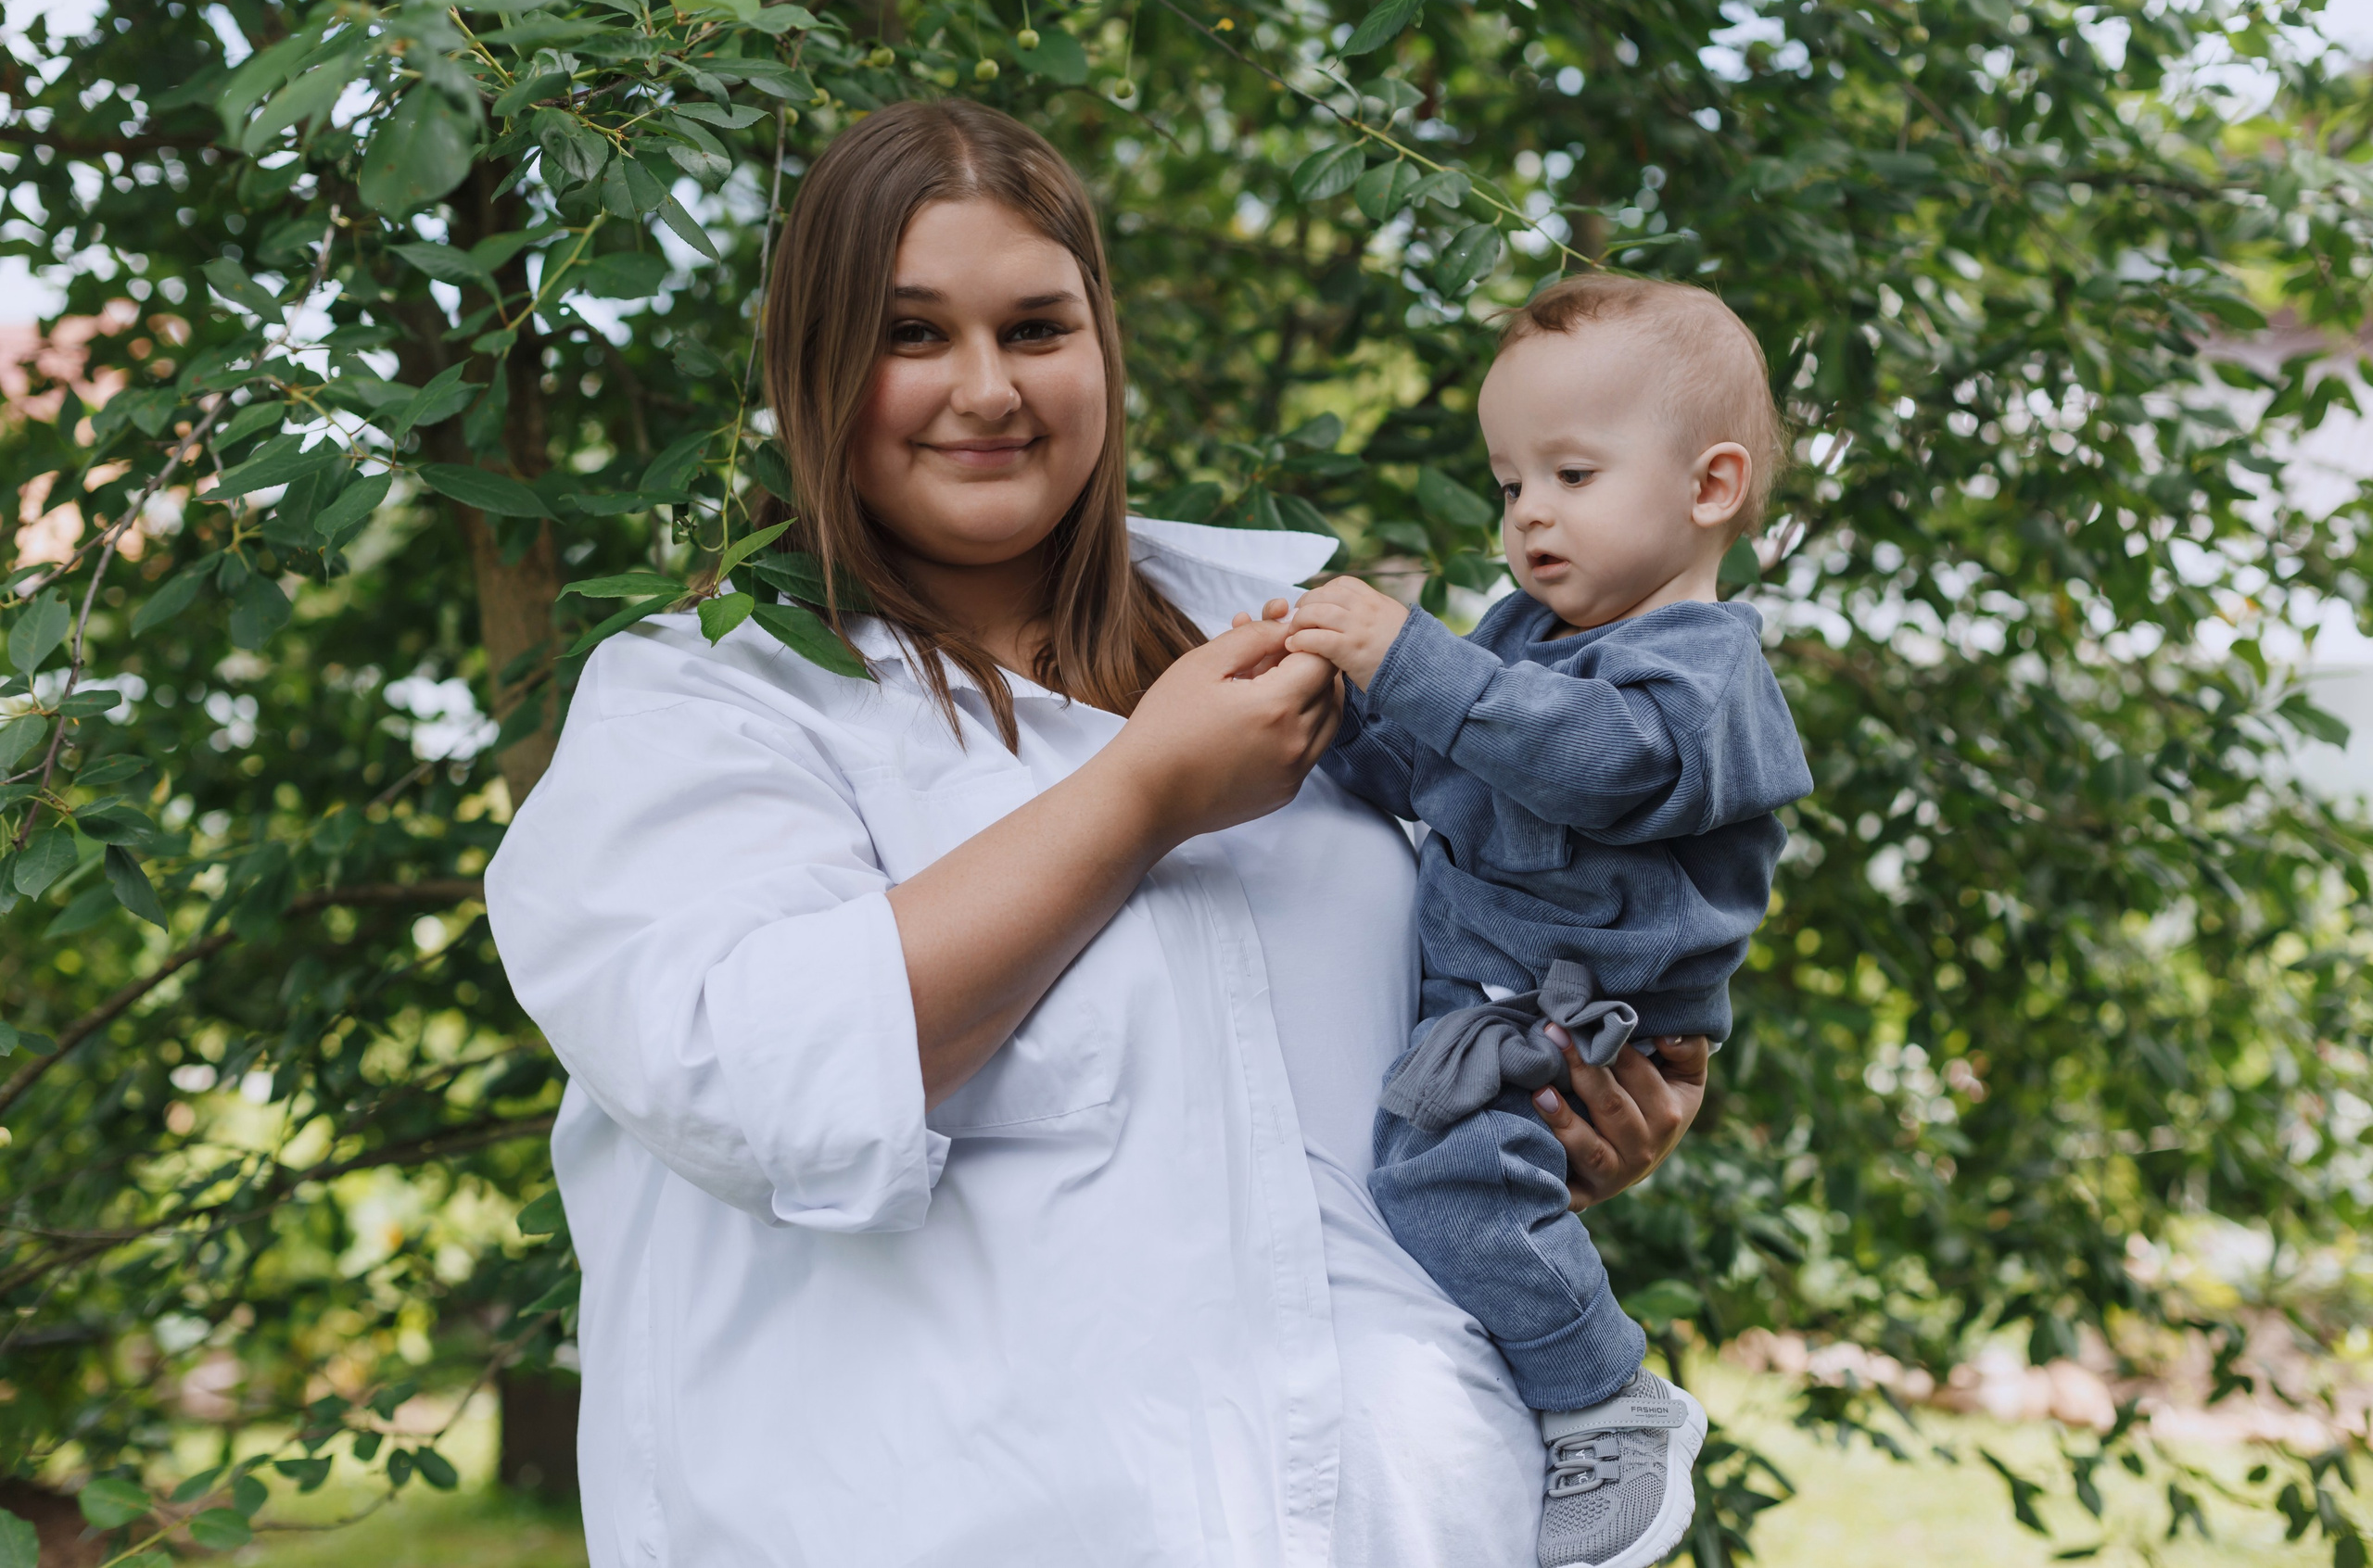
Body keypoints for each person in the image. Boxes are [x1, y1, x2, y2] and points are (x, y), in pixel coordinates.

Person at [485, 103, 1709, 1568]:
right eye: (913, 334)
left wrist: (1564, 1111)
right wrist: (1141, 801)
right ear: (812, 364)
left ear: (1104, 352)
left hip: (1417, 1518)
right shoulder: (703, 703)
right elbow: (750, 1081)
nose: (987, 388)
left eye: (1039, 327)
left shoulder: (1292, 643)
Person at [1262, 275, 1812, 1568]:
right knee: (1439, 1187)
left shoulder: (1701, 668)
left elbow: (1595, 764)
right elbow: (1437, 772)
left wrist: (1410, 659)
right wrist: (1321, 713)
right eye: (1511, 485)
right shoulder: (1527, 637)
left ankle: (1604, 1398)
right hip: (1504, 995)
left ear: (1711, 487)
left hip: (1582, 1009)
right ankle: (1570, 1387)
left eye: (1570, 473)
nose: (1529, 516)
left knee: (1445, 1183)